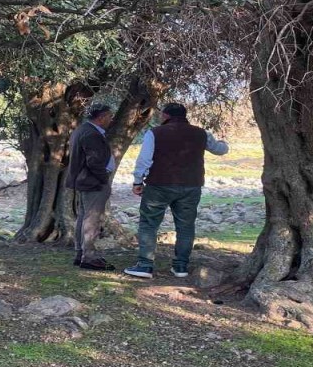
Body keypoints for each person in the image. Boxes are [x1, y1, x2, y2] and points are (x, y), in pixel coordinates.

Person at [124, 103, 229, 278]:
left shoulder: (155, 133)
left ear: (166, 116)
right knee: (186, 226)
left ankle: (145, 265)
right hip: (191, 186)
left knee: (149, 224)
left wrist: (137, 181)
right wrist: (225, 142)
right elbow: (220, 150)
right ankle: (181, 267)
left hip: (159, 184)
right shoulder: (201, 133)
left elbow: (144, 160)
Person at [67, 103, 118, 271]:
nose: (111, 120)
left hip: (84, 180)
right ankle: (88, 256)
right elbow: (94, 161)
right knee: (92, 218)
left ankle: (79, 253)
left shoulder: (81, 130)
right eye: (109, 116)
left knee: (83, 216)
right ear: (101, 117)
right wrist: (104, 178)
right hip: (92, 181)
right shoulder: (91, 134)